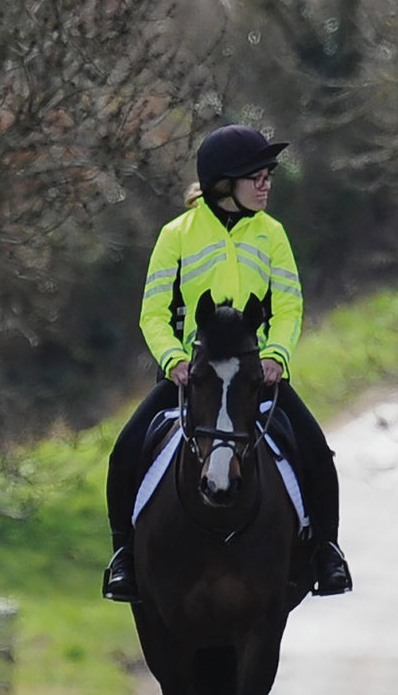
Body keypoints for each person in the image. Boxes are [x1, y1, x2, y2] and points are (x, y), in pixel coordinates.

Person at [103, 123, 352, 602]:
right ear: (223, 184)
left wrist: (277, 355)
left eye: (268, 175)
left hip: (253, 377)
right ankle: (124, 557)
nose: (266, 184)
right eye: (255, 176)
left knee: (316, 451)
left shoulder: (273, 234)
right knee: (126, 450)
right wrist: (173, 359)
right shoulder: (175, 236)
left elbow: (290, 307)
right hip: (192, 378)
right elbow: (152, 312)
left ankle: (325, 552)